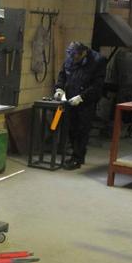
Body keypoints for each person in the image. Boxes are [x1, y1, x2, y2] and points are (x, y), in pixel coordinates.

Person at [53, 41, 107, 170]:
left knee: (82, 130)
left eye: (76, 56)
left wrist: (82, 97)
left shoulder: (97, 61)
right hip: (70, 99)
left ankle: (77, 159)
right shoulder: (71, 59)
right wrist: (59, 89)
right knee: (71, 128)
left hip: (86, 102)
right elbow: (63, 75)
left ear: (83, 53)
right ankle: (76, 155)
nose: (73, 59)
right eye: (71, 55)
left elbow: (97, 86)